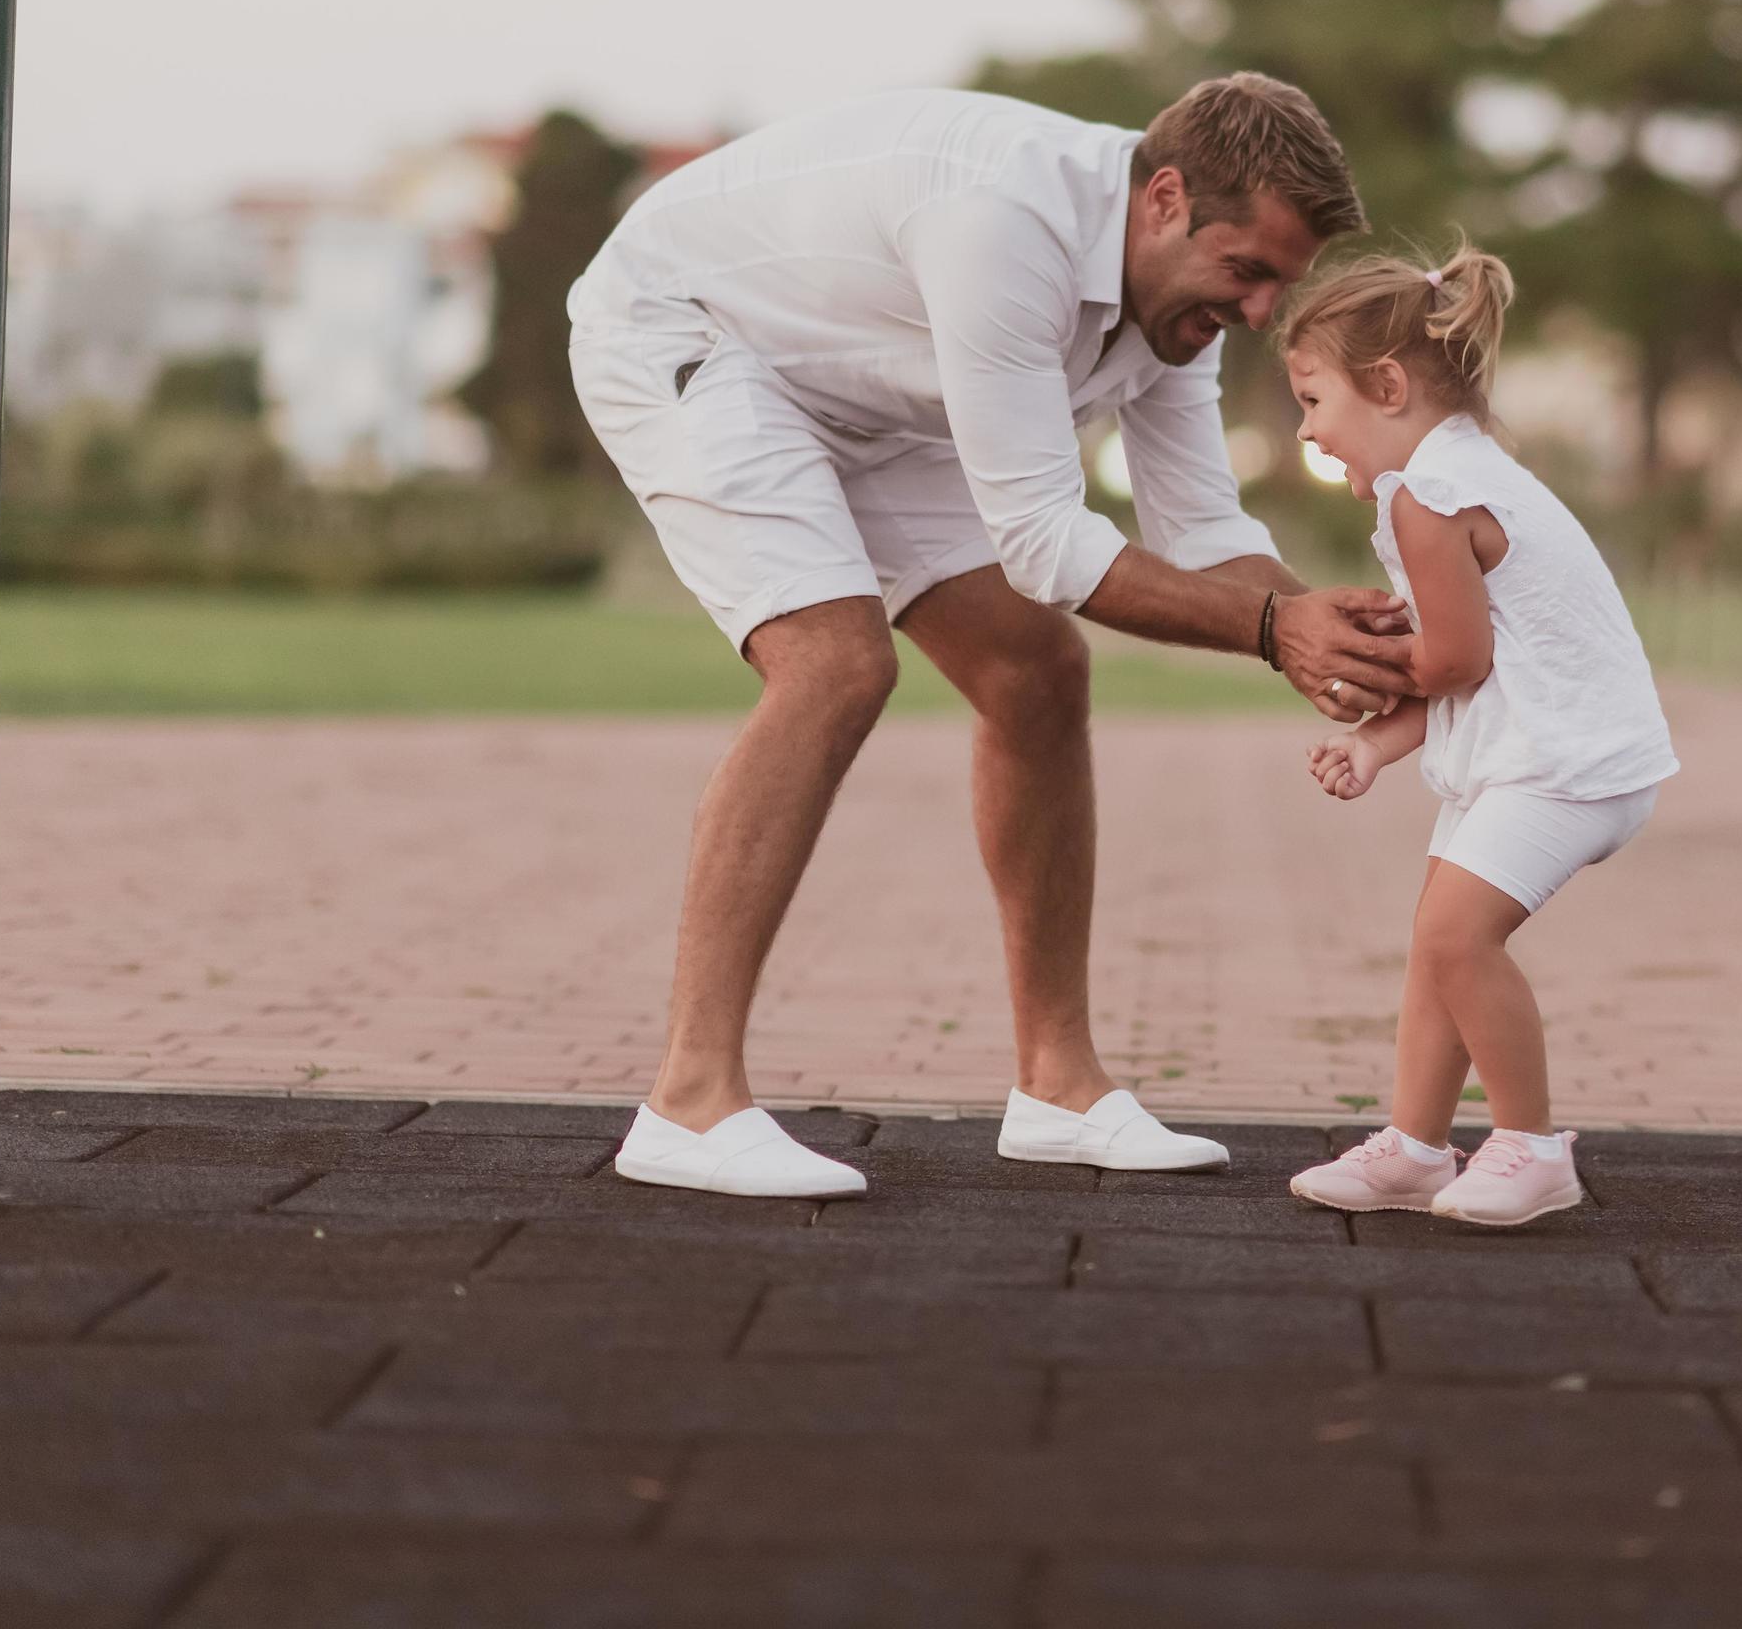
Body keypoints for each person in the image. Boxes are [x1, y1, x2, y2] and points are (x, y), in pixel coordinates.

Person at [567, 76, 1417, 1197]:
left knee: (1036, 668)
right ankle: (687, 1103)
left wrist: (1334, 629)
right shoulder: (1004, 224)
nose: (1263, 313)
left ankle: (1057, 1087)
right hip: (686, 328)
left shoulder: (1174, 310)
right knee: (835, 663)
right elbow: (1047, 546)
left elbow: (1205, 531)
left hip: (868, 388)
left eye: (1281, 283)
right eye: (1248, 272)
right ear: (1164, 199)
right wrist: (1277, 631)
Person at [1279, 242, 1678, 1227]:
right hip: (1534, 752)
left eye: (1314, 399)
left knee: (1459, 936)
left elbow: (1453, 659)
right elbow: (1471, 653)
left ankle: (1530, 1147)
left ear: (1386, 384)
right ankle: (1415, 1148)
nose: (1310, 430)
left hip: (1566, 762)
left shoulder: (1432, 495)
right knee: (1437, 942)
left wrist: (1368, 663)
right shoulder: (1451, 475)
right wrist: (1376, 742)